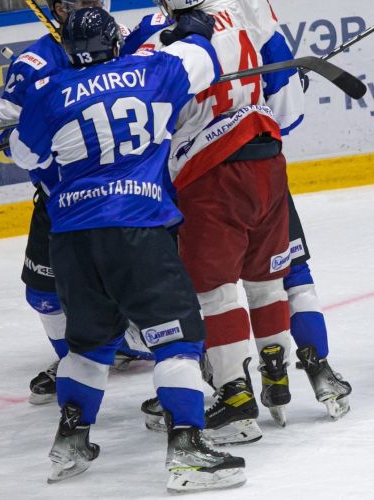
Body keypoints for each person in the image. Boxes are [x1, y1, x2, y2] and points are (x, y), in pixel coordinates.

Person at [9, 6, 247, 493]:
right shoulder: (151, 71)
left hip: (71, 237)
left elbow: (23, 153)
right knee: (178, 339)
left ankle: (70, 442)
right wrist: (191, 28)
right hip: (137, 227)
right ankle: (188, 450)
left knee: (88, 346)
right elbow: (202, 56)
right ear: (114, 44)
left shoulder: (48, 91)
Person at [131, 0, 351, 435]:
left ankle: (228, 391)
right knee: (277, 276)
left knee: (210, 292)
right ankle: (288, 372)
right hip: (265, 159)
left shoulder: (152, 35)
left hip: (205, 175)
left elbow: (143, 119)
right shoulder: (246, 12)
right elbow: (289, 113)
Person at [0, 0, 151, 404]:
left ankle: (168, 347)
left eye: (90, 1)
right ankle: (75, 359)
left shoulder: (128, 40)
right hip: (61, 201)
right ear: (55, 7)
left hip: (130, 194)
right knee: (43, 293)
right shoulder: (32, 64)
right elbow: (10, 136)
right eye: (71, 2)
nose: (82, 8)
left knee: (153, 285)